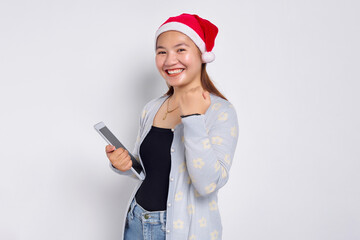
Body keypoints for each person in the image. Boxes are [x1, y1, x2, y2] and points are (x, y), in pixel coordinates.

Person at [105, 13, 239, 240]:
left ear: (201, 55)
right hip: (137, 221)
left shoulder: (220, 112)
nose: (169, 61)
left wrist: (193, 118)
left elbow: (208, 184)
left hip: (181, 230)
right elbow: (148, 171)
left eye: (180, 50)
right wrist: (124, 164)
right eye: (161, 52)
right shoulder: (152, 108)